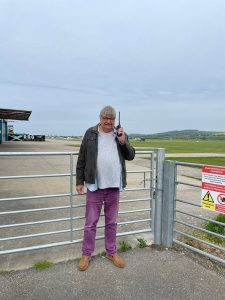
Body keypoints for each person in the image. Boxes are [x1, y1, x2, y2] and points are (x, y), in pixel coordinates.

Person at [76, 105, 135, 271]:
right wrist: (79, 181)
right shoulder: (90, 134)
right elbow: (82, 158)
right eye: (105, 118)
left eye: (111, 118)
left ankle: (111, 252)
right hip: (95, 186)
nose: (108, 121)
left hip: (114, 186)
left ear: (114, 120)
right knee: (90, 223)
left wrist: (123, 141)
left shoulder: (120, 134)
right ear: (100, 118)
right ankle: (86, 254)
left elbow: (130, 155)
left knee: (111, 222)